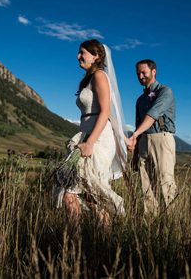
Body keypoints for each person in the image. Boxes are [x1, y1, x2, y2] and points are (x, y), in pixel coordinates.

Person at [53, 39, 127, 235]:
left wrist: (90, 143)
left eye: (82, 52)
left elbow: (105, 112)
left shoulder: (100, 76)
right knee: (87, 196)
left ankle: (81, 243)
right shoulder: (87, 80)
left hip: (97, 139)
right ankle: (95, 242)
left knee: (74, 192)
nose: (78, 56)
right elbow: (108, 114)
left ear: (96, 56)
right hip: (86, 134)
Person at [127, 59, 176, 215]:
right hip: (143, 143)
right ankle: (151, 226)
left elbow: (152, 116)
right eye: (138, 74)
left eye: (143, 72)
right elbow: (138, 127)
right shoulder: (140, 100)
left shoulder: (165, 92)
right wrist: (135, 155)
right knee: (146, 186)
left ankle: (171, 224)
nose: (140, 76)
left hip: (161, 139)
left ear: (154, 72)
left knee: (165, 184)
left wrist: (134, 134)